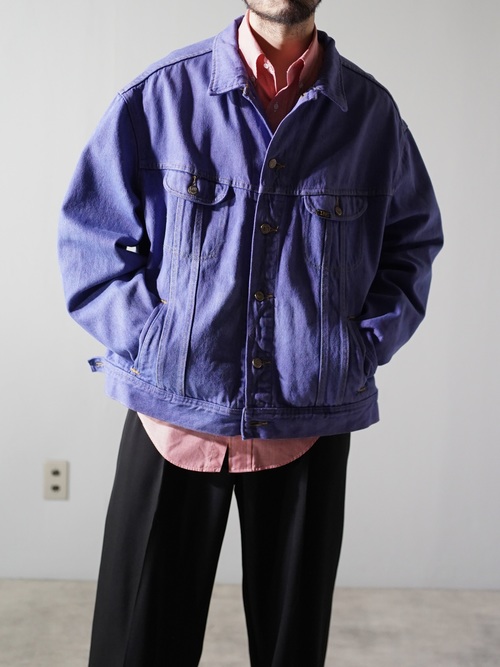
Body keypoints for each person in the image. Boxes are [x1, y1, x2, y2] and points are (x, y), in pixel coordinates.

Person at [58, 1, 443, 665]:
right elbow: (90, 240)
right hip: (170, 419)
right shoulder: (161, 96)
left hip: (307, 422)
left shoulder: (370, 116)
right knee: (136, 648)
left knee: (292, 651)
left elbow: (411, 246)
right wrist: (156, 344)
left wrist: (354, 350)